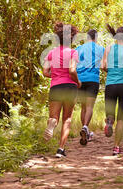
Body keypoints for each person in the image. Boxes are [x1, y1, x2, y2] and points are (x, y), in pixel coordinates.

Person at [42, 22, 81, 158]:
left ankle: (52, 123)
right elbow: (72, 70)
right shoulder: (73, 53)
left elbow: (45, 72)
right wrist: (77, 81)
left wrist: (56, 75)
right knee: (67, 119)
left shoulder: (51, 53)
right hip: (70, 87)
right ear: (71, 39)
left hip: (56, 87)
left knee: (54, 117)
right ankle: (60, 149)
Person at [101, 24, 123, 156]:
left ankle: (109, 122)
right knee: (121, 119)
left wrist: (109, 71)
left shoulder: (108, 48)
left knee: (111, 115)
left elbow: (103, 66)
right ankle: (116, 147)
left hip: (111, 85)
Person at [75, 29, 105, 145]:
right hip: (93, 79)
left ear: (86, 37)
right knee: (89, 107)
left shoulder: (78, 49)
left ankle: (86, 132)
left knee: (83, 107)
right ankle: (85, 127)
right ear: (96, 38)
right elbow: (104, 64)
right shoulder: (100, 49)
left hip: (80, 79)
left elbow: (74, 63)